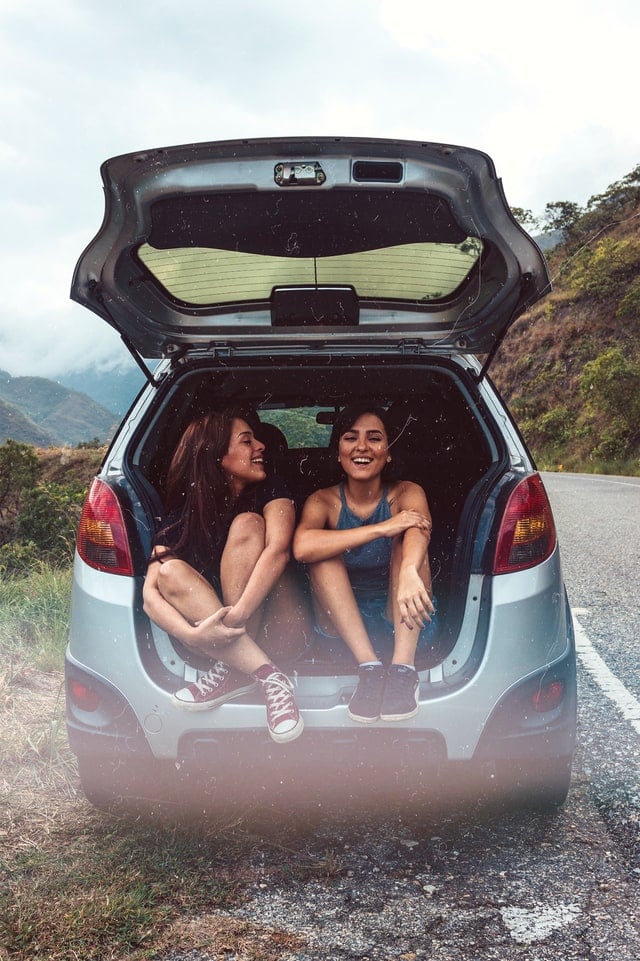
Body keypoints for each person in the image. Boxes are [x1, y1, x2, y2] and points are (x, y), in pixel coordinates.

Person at [142, 409, 307, 744]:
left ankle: (238, 669)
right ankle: (268, 677)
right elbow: (150, 593)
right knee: (169, 571)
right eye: (247, 441)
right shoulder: (186, 510)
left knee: (248, 523)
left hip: (282, 630)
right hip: (218, 643)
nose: (261, 446)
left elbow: (279, 550)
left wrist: (235, 621)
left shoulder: (272, 489)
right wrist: (192, 637)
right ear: (215, 455)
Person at [293, 403, 436, 724]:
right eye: (350, 437)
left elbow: (418, 529)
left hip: (402, 620)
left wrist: (411, 570)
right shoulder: (323, 500)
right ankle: (370, 670)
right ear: (338, 451)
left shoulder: (407, 491)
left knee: (410, 540)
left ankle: (403, 671)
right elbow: (302, 547)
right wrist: (381, 528)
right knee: (321, 552)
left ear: (389, 452)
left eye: (374, 438)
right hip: (343, 632)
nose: (361, 447)